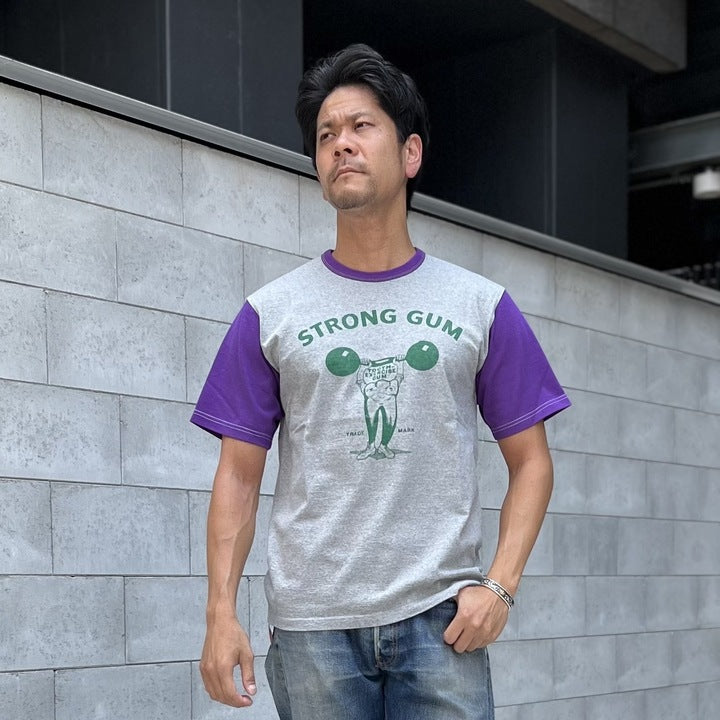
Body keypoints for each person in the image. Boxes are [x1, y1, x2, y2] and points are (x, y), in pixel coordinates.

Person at [191, 43, 571, 719]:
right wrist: (221, 613)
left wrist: (500, 586)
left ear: (410, 153)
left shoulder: (479, 306)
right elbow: (238, 475)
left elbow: (532, 461)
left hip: (441, 622)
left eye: (361, 126)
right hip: (313, 632)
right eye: (326, 135)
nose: (341, 144)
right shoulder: (270, 314)